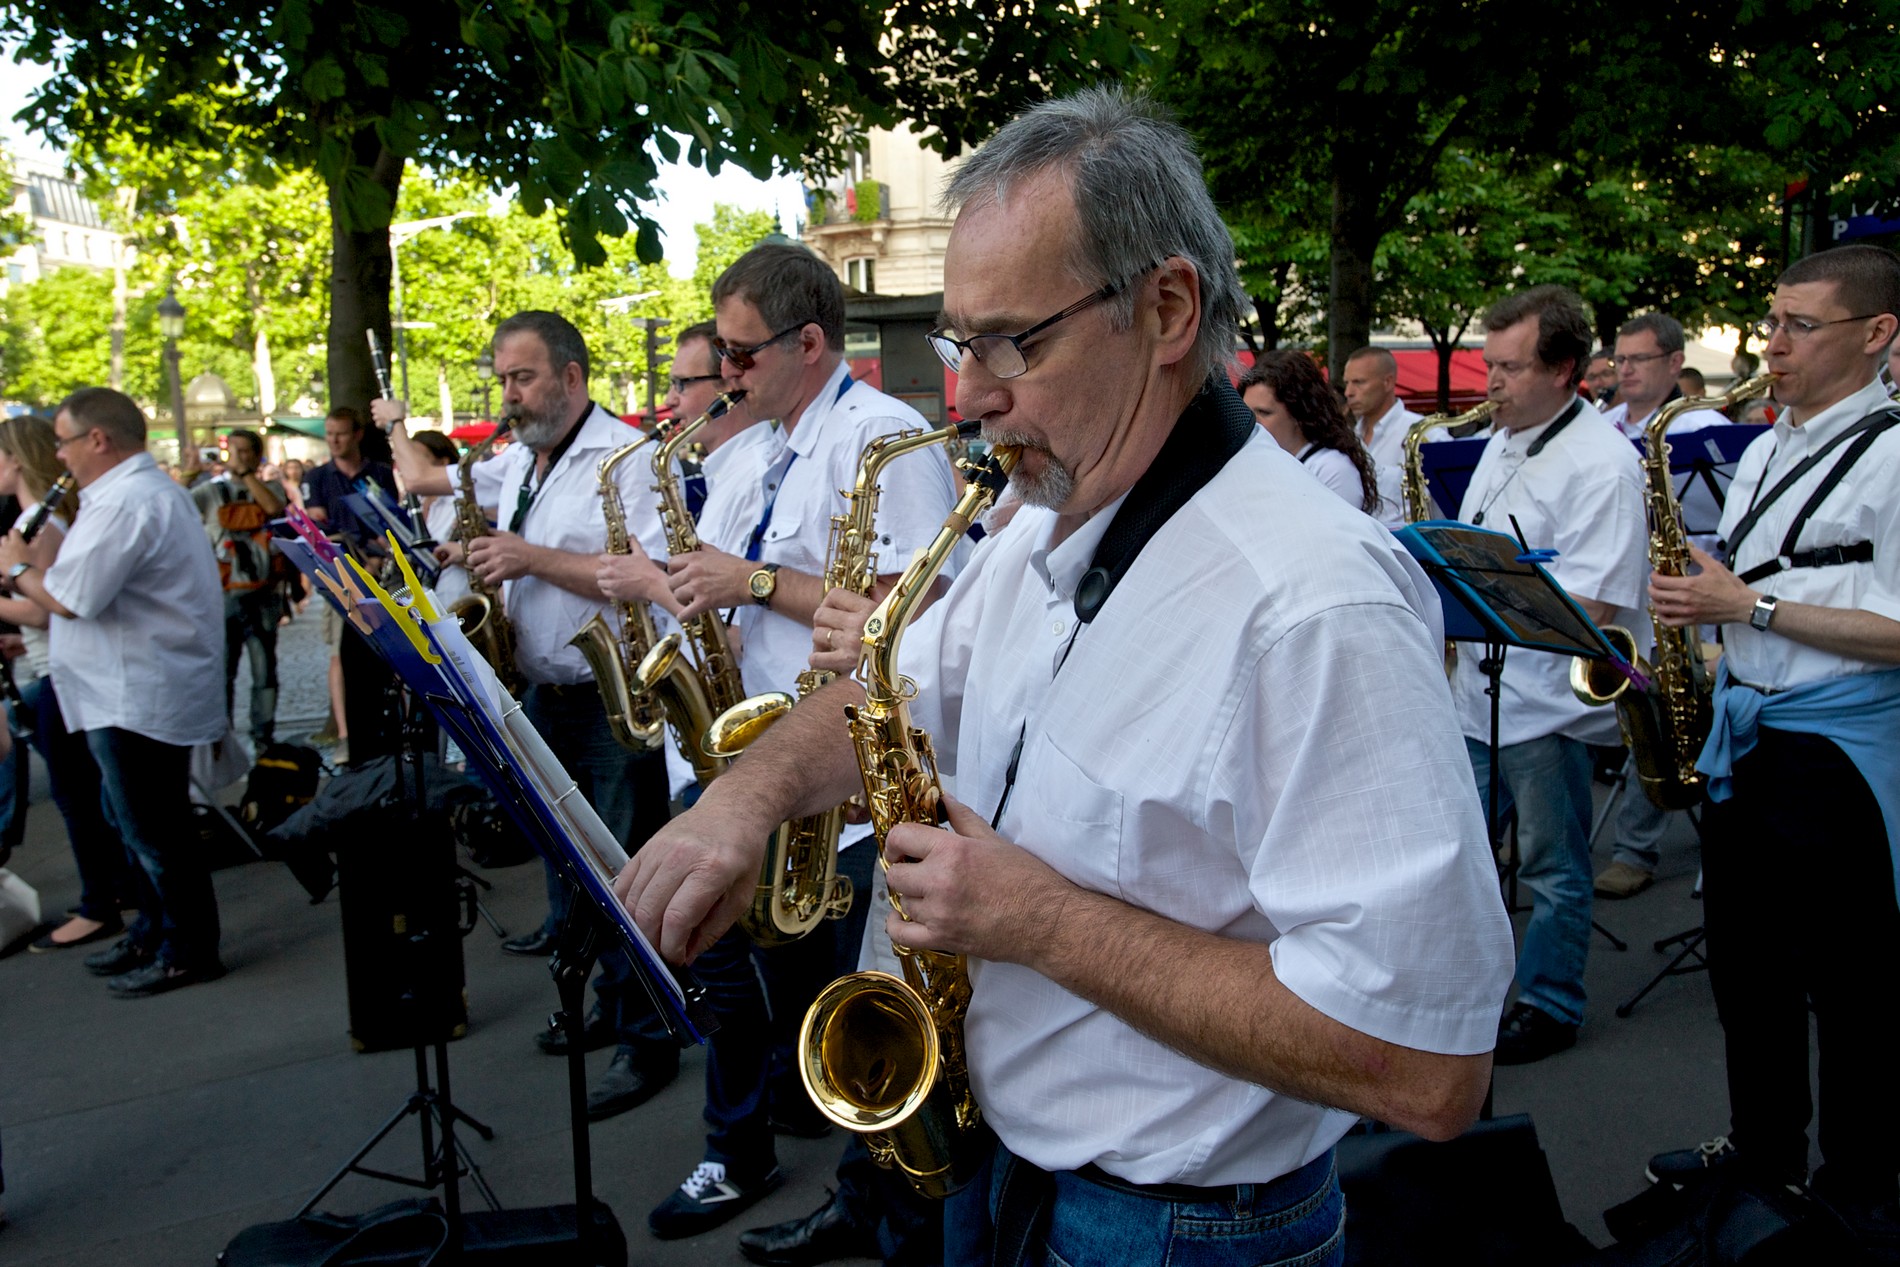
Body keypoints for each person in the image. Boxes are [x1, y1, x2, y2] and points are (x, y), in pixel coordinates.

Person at [617, 87, 1513, 1267]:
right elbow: (885, 696)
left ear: (1167, 309)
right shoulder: (1046, 522)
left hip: (1182, 1230)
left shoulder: (1314, 605)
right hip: (1017, 1175)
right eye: (957, 343)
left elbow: (1427, 1066)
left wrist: (1036, 921)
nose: (968, 395)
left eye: (1008, 343)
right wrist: (740, 803)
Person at [652, 251, 961, 1242]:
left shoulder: (882, 437)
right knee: (803, 1002)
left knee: (859, 1020)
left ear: (809, 343)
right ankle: (851, 1192)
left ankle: (873, 1199)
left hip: (850, 778)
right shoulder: (762, 445)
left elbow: (914, 615)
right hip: (779, 759)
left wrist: (745, 584)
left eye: (739, 352)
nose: (724, 371)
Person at [1646, 244, 1900, 1247]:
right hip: (1747, 739)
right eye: (1772, 321)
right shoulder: (1758, 448)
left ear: (1876, 334)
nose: (1772, 343)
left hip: (1837, 757)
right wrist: (1711, 643)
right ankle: (1761, 1166)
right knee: (1746, 980)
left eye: (1800, 325)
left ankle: (1858, 1186)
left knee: (1854, 989)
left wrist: (1745, 603)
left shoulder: (1891, 452)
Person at [375, 311, 676, 1123]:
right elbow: (512, 555)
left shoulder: (630, 457)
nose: (508, 396)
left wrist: (529, 556)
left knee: (624, 878)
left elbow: (646, 574)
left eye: (524, 378)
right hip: (540, 693)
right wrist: (472, 558)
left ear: (572, 377)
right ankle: (606, 1007)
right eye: (502, 379)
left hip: (610, 700)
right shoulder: (519, 463)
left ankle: (646, 1037)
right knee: (568, 872)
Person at [1449, 285, 1648, 1065]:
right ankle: (1460, 993)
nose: (1490, 385)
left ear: (1566, 369)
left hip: (1547, 709)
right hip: (1479, 692)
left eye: (1509, 368)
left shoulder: (1602, 465)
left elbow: (1592, 605)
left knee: (1554, 869)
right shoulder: (1506, 436)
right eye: (1488, 366)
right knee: (1459, 849)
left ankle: (1550, 1002)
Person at [0, 387, 228, 996]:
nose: (60, 456)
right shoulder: (122, 497)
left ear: (97, 440)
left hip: (137, 694)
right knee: (138, 825)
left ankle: (186, 949)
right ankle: (154, 931)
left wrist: (20, 567)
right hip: (122, 690)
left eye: (65, 442)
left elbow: (72, 601)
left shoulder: (129, 501)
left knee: (155, 830)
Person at [1593, 314, 1729, 900]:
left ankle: (1636, 848)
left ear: (1674, 364)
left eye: (1637, 360)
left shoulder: (1700, 427)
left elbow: (1719, 524)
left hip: (1683, 590)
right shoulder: (1604, 424)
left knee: (1663, 710)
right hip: (1624, 587)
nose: (1624, 370)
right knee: (1637, 715)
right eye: (1619, 360)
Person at [0, 416, 131, 953]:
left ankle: (100, 904)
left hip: (61, 672)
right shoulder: (39, 519)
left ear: (14, 461)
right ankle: (111, 894)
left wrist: (10, 581)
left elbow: (47, 611)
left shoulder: (41, 523)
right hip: (50, 668)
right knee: (82, 791)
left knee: (75, 795)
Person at [189, 429, 287, 752]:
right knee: (223, 669)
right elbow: (179, 506)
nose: (240, 456)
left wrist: (248, 477)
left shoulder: (269, 487)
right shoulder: (210, 492)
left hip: (263, 593)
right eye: (236, 450)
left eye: (247, 451)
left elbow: (273, 508)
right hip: (223, 593)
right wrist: (189, 472)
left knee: (264, 672)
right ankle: (222, 737)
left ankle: (264, 737)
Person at [1239, 350, 1381, 515]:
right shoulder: (1255, 464)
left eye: (1264, 413)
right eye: (1246, 412)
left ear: (1298, 414)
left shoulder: (1332, 470)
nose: (1252, 422)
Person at [1341, 345, 1422, 467]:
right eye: (1347, 383)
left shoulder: (1422, 433)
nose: (1348, 392)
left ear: (1388, 382)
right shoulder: (1351, 437)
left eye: (1359, 382)